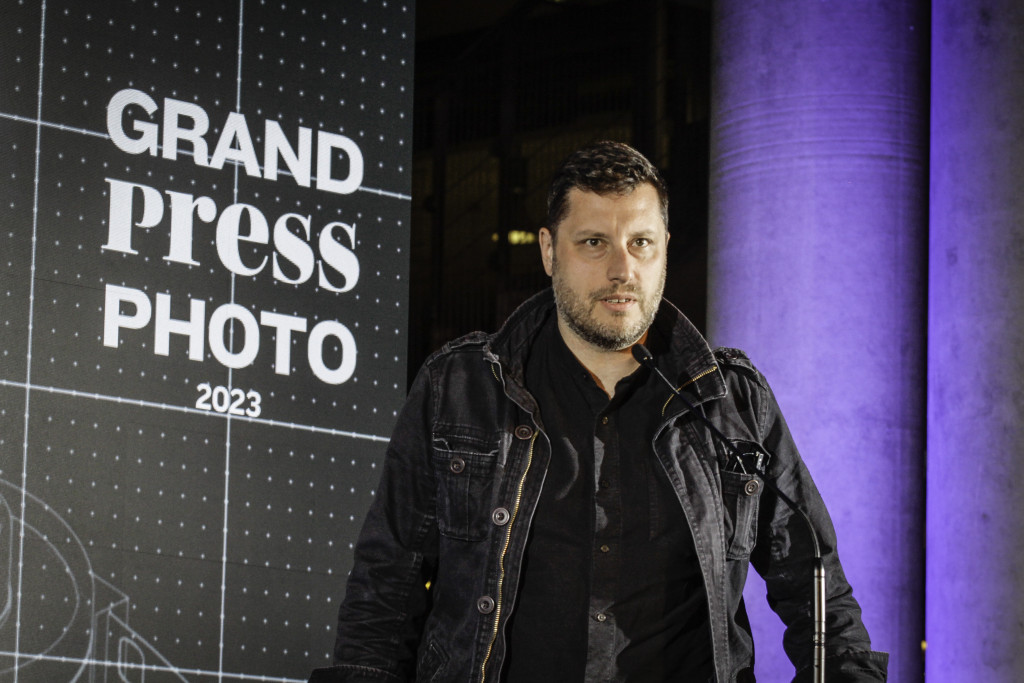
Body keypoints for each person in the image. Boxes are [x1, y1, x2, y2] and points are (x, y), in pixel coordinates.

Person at [314, 141, 888, 682]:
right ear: (548, 251)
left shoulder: (733, 403)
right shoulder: (460, 388)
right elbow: (386, 587)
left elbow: (817, 588)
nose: (623, 269)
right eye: (594, 243)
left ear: (664, 248)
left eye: (641, 243)